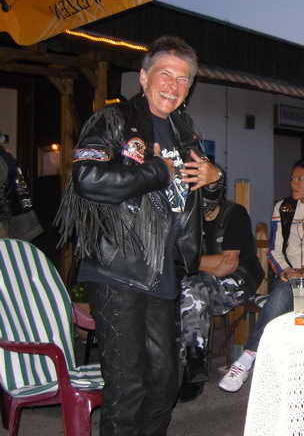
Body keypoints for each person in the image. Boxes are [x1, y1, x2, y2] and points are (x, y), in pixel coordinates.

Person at [56, 36, 221, 435]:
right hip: (118, 267)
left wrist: (214, 180)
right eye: (165, 74)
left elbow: (201, 205)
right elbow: (86, 177)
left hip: (163, 269)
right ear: (144, 77)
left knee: (165, 382)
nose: (173, 86)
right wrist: (157, 171)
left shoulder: (185, 131)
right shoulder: (113, 120)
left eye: (183, 79)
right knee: (127, 386)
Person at [218, 158, 304, 393]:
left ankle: (250, 358)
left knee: (284, 294)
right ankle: (248, 358)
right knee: (283, 291)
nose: (293, 183)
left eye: (300, 179)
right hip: (290, 278)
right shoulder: (283, 207)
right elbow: (274, 250)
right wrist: (287, 271)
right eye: (292, 178)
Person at [178, 170, 263, 402]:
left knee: (192, 291)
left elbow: (227, 265)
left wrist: (189, 264)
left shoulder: (235, 213)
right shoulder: (188, 217)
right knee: (177, 289)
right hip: (200, 280)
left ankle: (193, 365)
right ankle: (172, 363)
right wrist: (199, 265)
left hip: (238, 281)